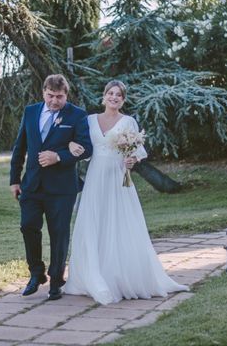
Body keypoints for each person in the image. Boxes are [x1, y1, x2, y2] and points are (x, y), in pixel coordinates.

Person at [63, 80, 188, 304]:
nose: (114, 97)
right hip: (95, 178)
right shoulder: (89, 120)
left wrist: (132, 159)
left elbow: (139, 151)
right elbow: (81, 145)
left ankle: (120, 277)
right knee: (93, 223)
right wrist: (73, 147)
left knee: (120, 224)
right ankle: (91, 275)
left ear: (123, 99)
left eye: (118, 95)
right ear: (104, 96)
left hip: (118, 179)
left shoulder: (128, 121)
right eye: (110, 93)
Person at [10, 74, 93, 300]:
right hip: (32, 185)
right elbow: (20, 148)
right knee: (28, 227)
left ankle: (56, 280)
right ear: (43, 92)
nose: (55, 101)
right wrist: (14, 180)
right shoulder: (30, 112)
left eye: (59, 97)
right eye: (50, 96)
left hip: (62, 188)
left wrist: (58, 156)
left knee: (59, 234)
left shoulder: (77, 115)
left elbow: (86, 149)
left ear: (66, 95)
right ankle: (36, 274)